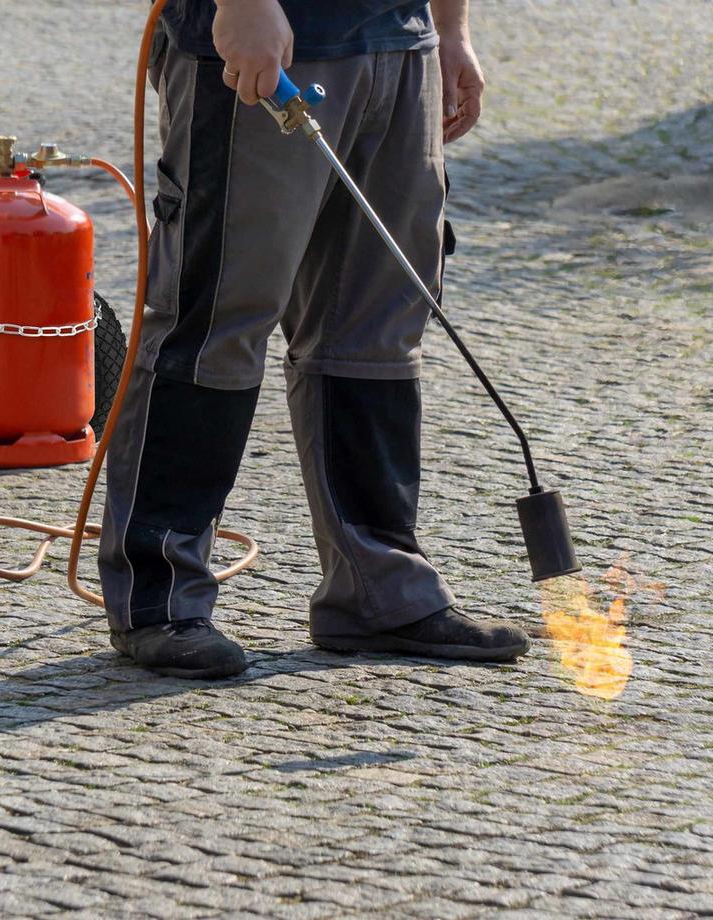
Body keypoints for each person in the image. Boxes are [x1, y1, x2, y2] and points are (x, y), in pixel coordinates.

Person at [97, 0, 531, 678]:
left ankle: (379, 589)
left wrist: (450, 30)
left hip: (400, 44)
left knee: (376, 329)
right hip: (270, 42)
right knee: (214, 321)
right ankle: (161, 597)